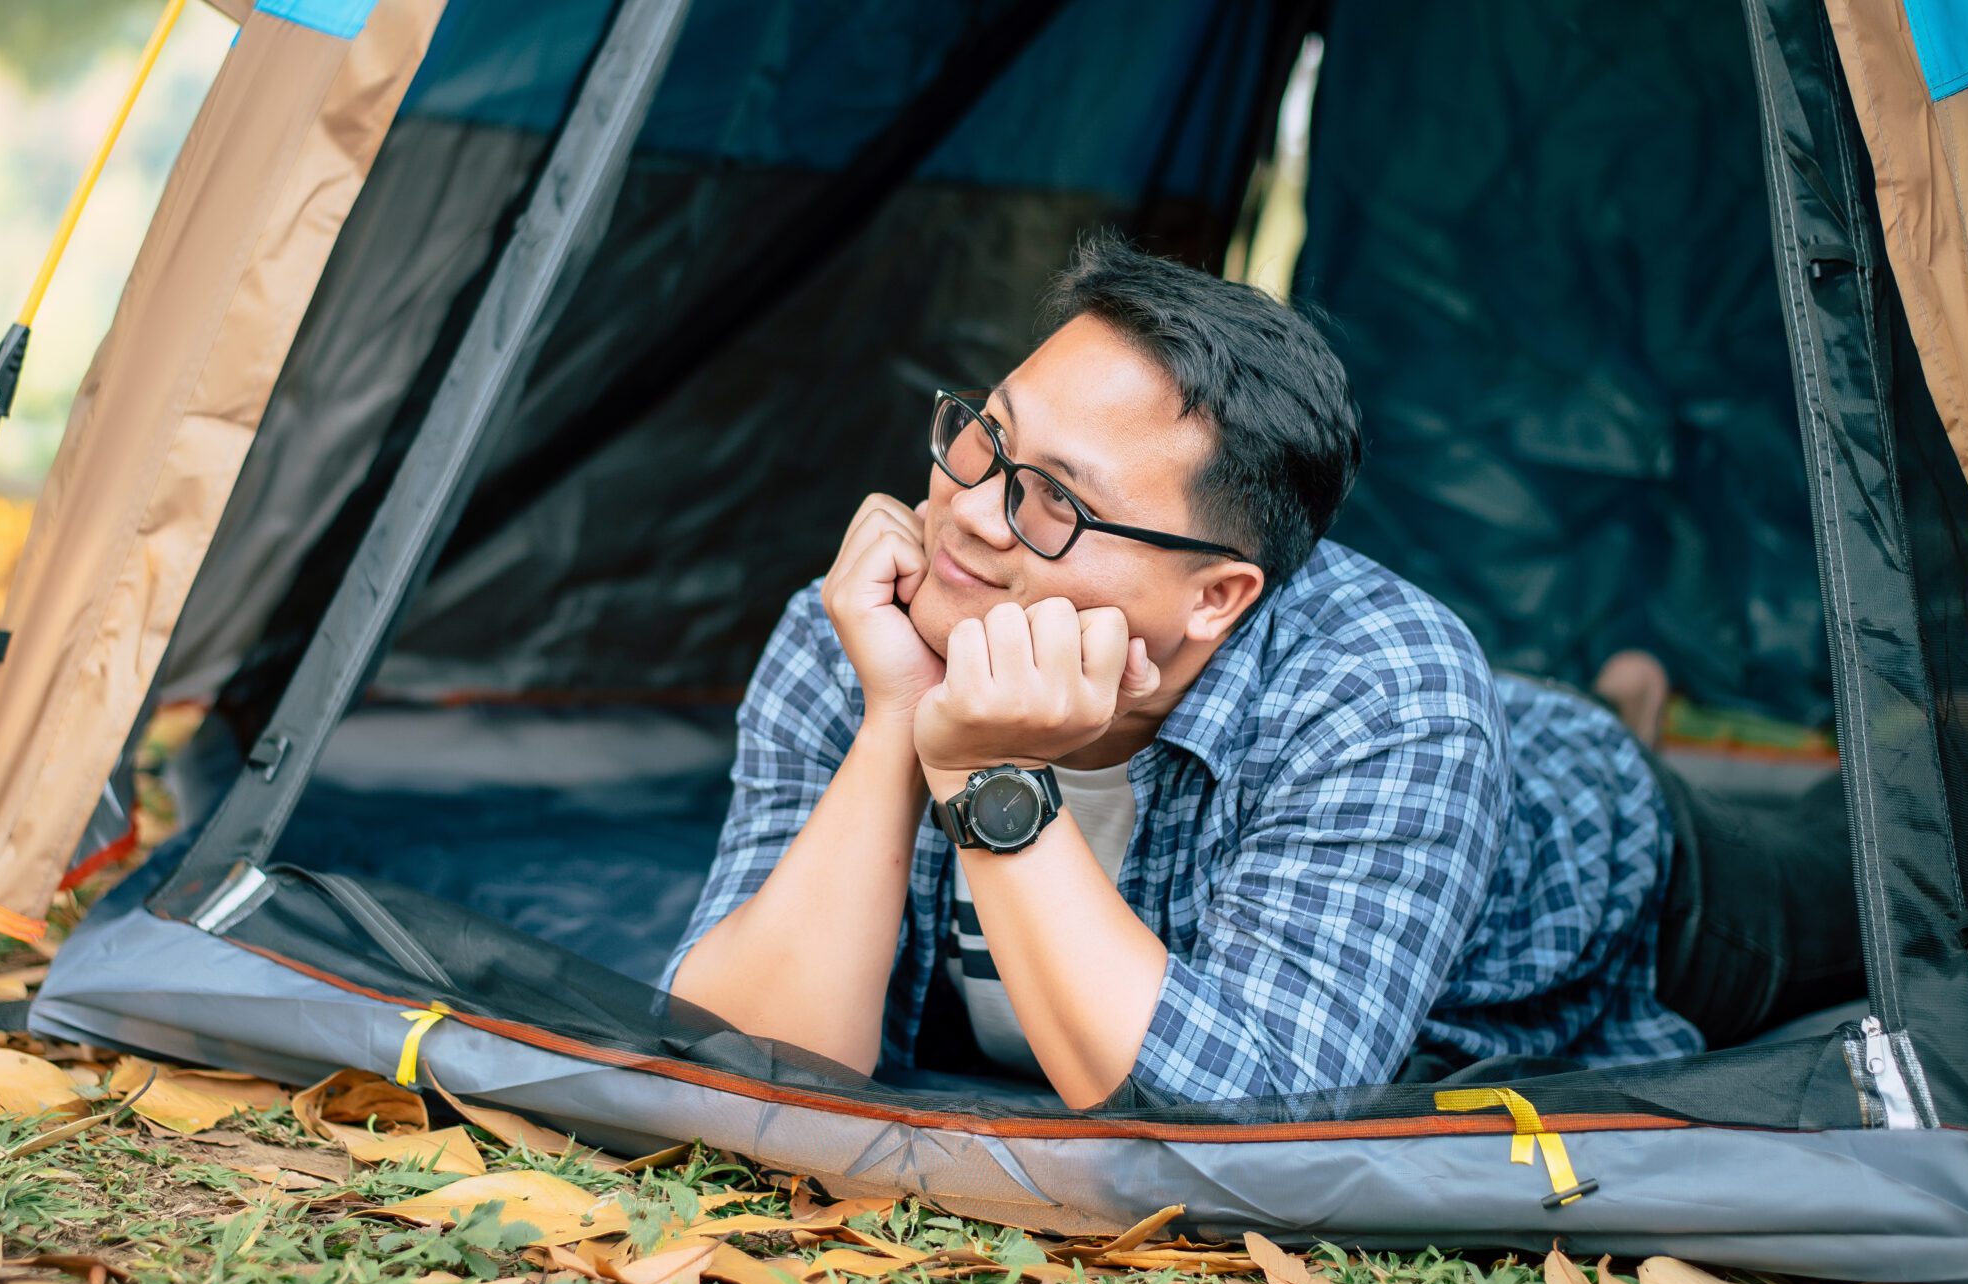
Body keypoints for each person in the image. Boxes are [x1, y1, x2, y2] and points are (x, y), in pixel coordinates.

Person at [664, 233, 1862, 1108]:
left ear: (1216, 595)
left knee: (1882, 870)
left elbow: (1247, 1118)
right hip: (1454, 765)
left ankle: (1648, 726)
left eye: (1054, 502)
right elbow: (741, 1056)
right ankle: (1613, 696)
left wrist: (991, 778)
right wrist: (894, 722)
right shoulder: (870, 618)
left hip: (1629, 878)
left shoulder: (1384, 690)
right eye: (986, 436)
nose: (971, 513)